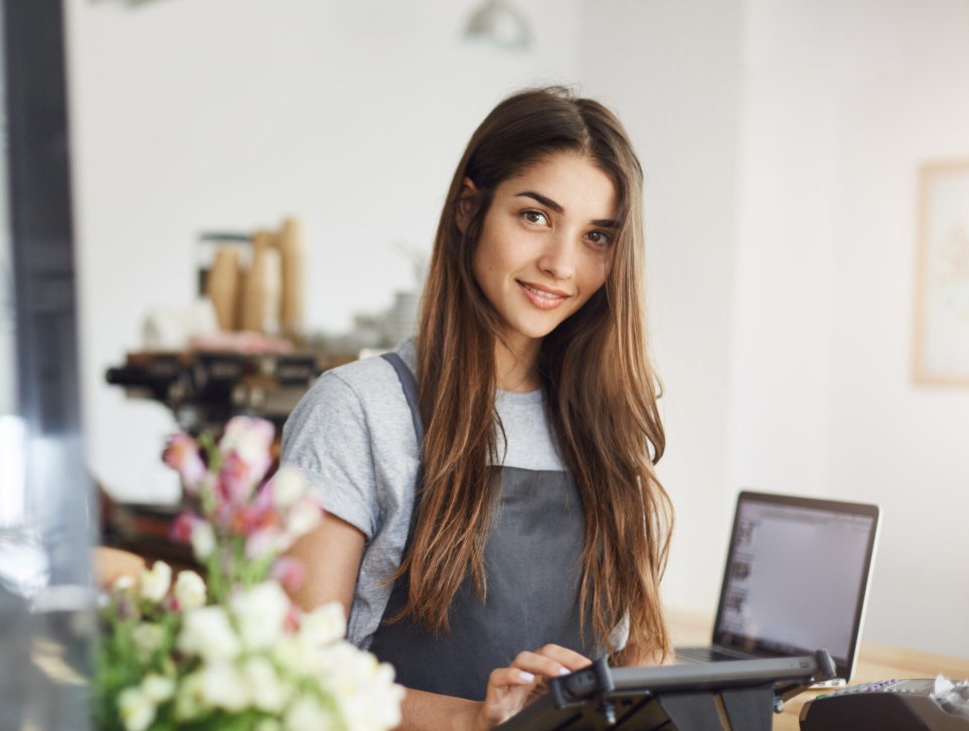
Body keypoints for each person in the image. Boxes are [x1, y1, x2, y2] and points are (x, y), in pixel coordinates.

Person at [280, 86, 674, 730]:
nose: (561, 265)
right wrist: (478, 720)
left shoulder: (604, 426)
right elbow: (296, 673)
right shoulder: (359, 409)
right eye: (536, 217)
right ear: (469, 210)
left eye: (597, 235)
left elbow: (642, 651)